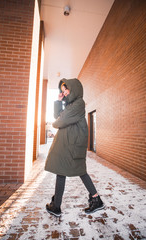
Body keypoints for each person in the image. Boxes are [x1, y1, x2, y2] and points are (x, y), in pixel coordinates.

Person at [45, 78, 104, 217]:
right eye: (63, 91)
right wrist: (59, 101)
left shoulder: (78, 104)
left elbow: (58, 122)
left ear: (74, 89)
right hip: (68, 144)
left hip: (72, 145)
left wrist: (59, 119)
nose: (64, 93)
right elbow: (58, 116)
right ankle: (58, 205)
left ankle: (94, 200)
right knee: (65, 171)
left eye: (67, 90)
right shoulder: (71, 105)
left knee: (78, 171)